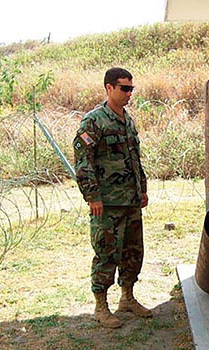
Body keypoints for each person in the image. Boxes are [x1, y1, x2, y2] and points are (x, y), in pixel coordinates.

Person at [73, 67, 151, 329]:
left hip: (130, 200)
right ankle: (100, 306)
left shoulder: (127, 120)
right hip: (107, 203)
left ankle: (127, 298)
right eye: (124, 88)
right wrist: (92, 195)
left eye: (131, 89)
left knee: (133, 251)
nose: (129, 94)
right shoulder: (94, 121)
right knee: (106, 252)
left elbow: (134, 158)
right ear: (109, 88)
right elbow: (83, 161)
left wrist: (142, 188)